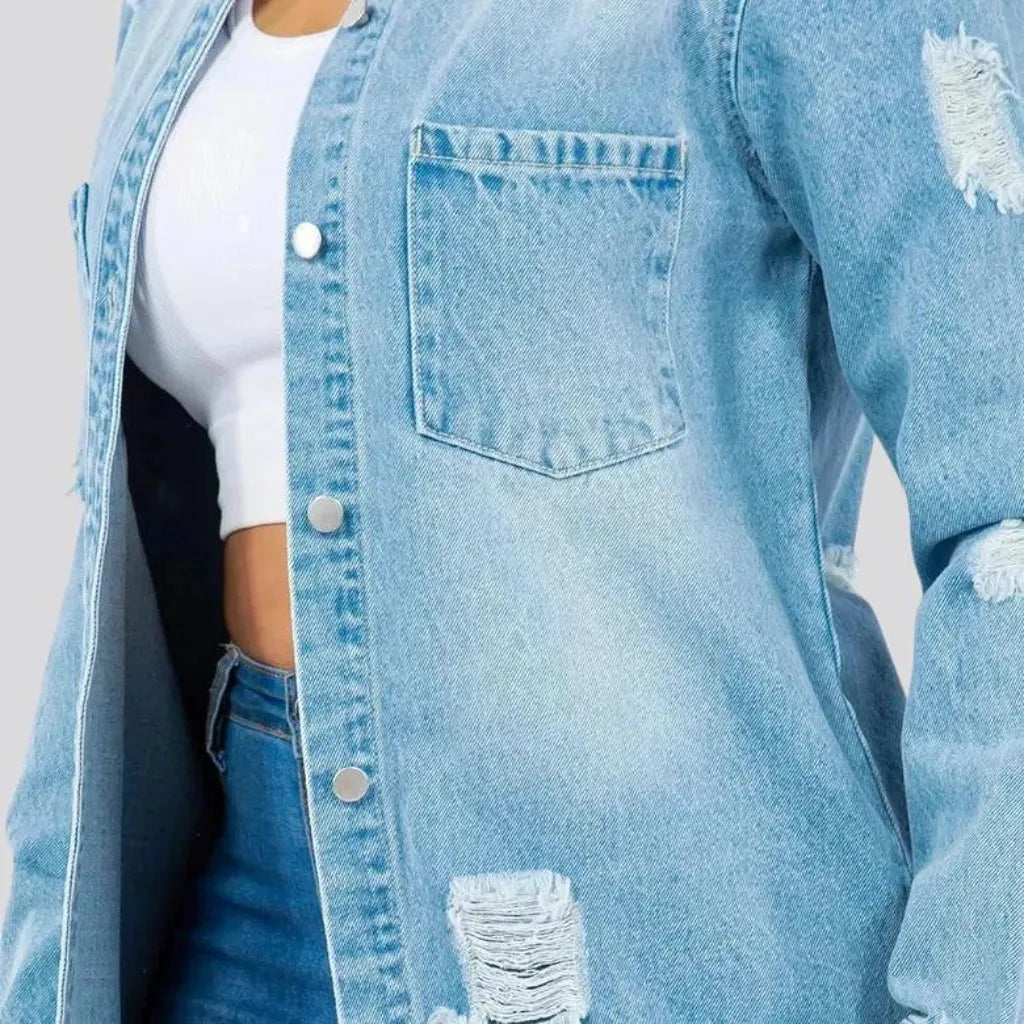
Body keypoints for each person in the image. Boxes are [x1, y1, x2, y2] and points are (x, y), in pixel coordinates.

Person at [2, 0, 1023, 1020]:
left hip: (641, 940)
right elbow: (116, 543)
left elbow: (1000, 505)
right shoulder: (163, 21)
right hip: (234, 878)